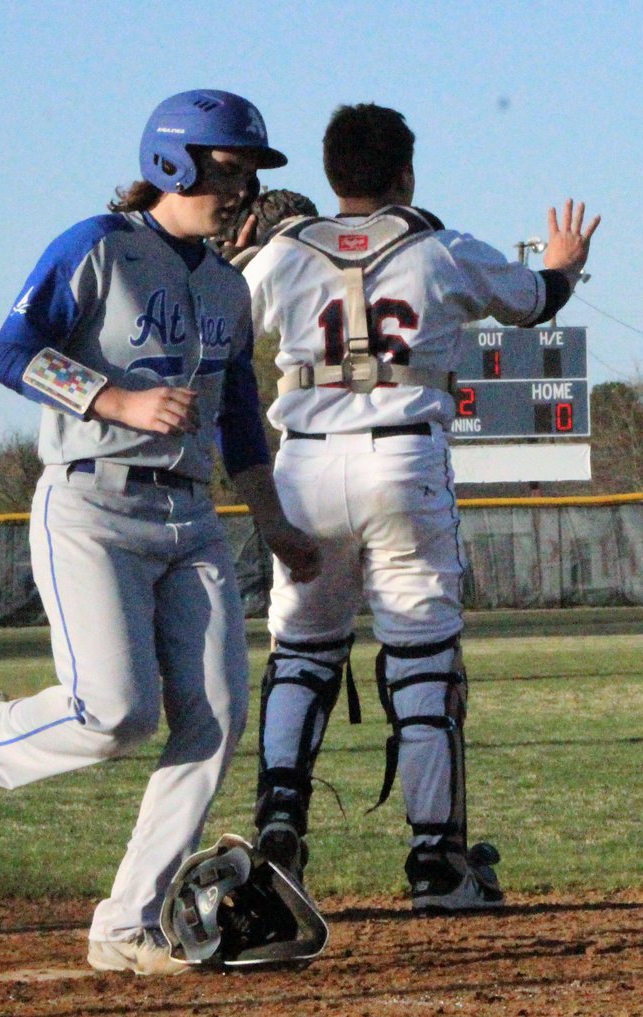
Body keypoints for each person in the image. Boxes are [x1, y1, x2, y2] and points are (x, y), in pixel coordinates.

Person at [0, 88, 320, 976]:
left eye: (251, 170)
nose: (243, 186)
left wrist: (276, 525)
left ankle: (125, 924)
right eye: (229, 167)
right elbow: (9, 351)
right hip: (91, 503)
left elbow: (242, 420)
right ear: (172, 163)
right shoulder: (97, 246)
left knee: (214, 722)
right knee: (116, 713)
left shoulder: (226, 285)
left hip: (190, 518)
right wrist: (115, 399)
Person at [241, 102, 599, 912]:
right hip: (403, 454)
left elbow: (220, 328)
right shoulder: (439, 250)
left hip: (303, 463)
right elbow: (535, 302)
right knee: (424, 664)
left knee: (301, 653)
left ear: (333, 178)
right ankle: (437, 862)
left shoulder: (284, 254)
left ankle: (279, 828)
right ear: (405, 173)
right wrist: (566, 262)